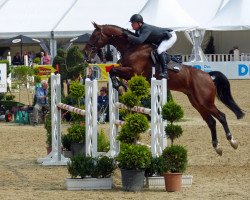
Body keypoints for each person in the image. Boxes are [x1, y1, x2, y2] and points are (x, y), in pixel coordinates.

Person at [123, 14, 177, 79]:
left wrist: (128, 36)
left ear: (139, 23)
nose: (131, 25)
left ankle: (165, 72)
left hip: (170, 36)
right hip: (160, 39)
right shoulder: (138, 30)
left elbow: (140, 40)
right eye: (131, 23)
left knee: (160, 50)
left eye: (133, 23)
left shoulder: (146, 28)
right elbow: (135, 38)